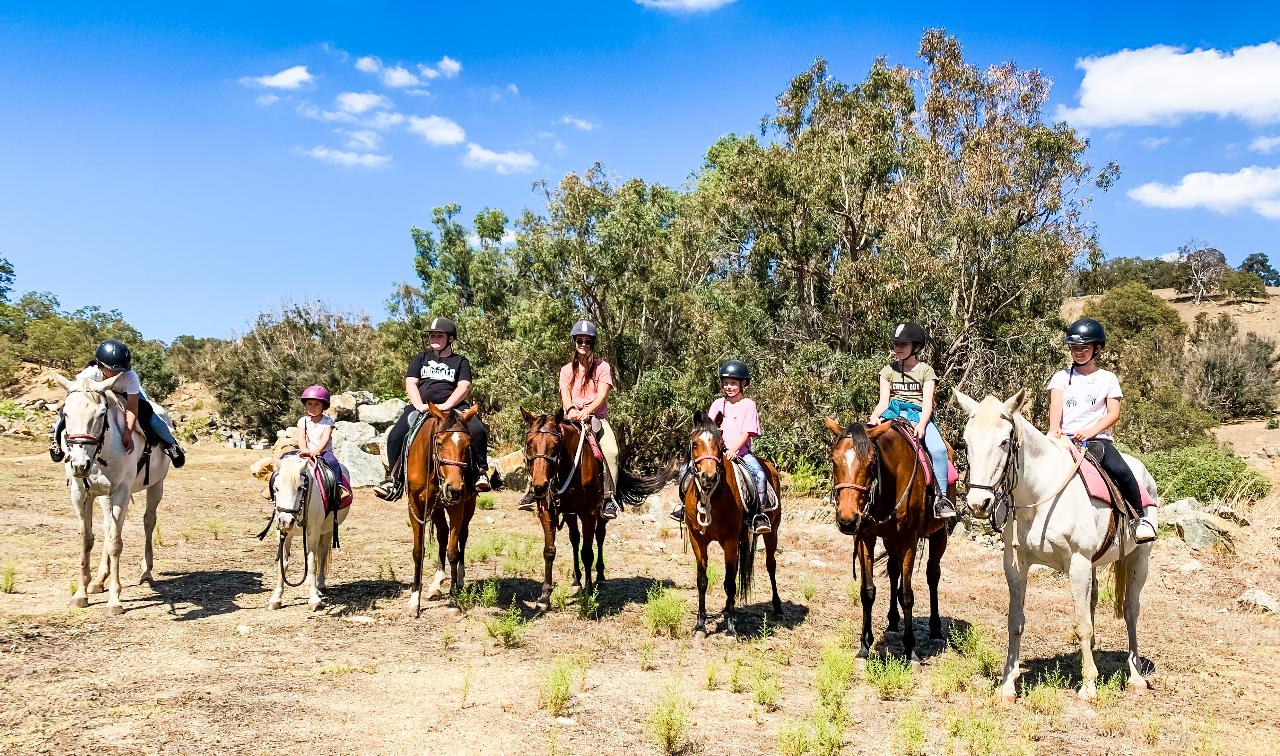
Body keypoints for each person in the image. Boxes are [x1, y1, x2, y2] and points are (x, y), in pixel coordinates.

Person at [1048, 318, 1156, 543]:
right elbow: (1056, 404)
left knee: (1122, 471)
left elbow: (1113, 413)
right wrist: (1054, 429)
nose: (1078, 353)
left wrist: (1090, 431)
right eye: (1074, 348)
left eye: (1084, 348)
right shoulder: (1060, 377)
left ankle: (1139, 519)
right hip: (1064, 439)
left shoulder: (1107, 379)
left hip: (1097, 440)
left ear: (1097, 348)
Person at [374, 316, 490, 501]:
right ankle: (393, 479)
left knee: (477, 429)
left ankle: (480, 472)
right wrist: (419, 405)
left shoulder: (460, 361)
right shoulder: (420, 358)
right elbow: (411, 383)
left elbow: (464, 386)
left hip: (454, 407)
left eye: (439, 335)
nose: (434, 338)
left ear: (450, 338)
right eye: (432, 335)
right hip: (421, 406)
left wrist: (445, 406)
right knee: (396, 434)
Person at [518, 320, 621, 519]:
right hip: (570, 418)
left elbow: (602, 395)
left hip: (596, 418)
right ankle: (533, 488)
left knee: (611, 451)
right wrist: (571, 409)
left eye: (588, 341)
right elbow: (565, 393)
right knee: (541, 443)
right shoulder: (566, 370)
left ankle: (609, 498)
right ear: (574, 342)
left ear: (593, 343)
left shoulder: (602, 367)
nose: (584, 344)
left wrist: (588, 410)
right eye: (580, 340)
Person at [669, 360, 773, 534]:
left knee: (759, 475)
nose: (729, 387)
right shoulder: (717, 404)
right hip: (715, 453)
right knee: (685, 470)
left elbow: (747, 432)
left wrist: (734, 450)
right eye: (726, 383)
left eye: (733, 383)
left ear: (743, 383)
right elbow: (708, 429)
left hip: (741, 453)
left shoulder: (748, 405)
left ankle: (759, 514)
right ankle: (684, 507)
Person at [49, 339, 185, 468]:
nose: (120, 372)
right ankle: (55, 440)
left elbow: (132, 407)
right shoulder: (89, 374)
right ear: (100, 366)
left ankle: (171, 444)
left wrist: (127, 432)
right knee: (67, 412)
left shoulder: (130, 376)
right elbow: (77, 396)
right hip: (99, 394)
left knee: (151, 416)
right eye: (114, 370)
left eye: (123, 369)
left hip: (127, 393)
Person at [868, 322, 954, 518]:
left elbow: (927, 404)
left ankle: (941, 499)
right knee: (867, 443)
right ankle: (869, 495)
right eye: (896, 344)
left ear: (916, 347)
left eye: (903, 345)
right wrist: (875, 416)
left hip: (919, 415)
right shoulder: (888, 371)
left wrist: (923, 425)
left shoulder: (926, 371)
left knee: (939, 450)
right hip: (893, 413)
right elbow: (883, 402)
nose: (898, 348)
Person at [294, 385, 351, 505]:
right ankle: (274, 486)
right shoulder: (302, 421)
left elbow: (326, 437)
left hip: (323, 452)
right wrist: (304, 449)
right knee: (286, 459)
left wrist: (318, 450)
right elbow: (301, 436)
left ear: (323, 406)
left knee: (333, 462)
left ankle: (339, 488)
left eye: (317, 404)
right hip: (306, 452)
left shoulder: (328, 421)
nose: (313, 407)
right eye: (309, 404)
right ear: (305, 405)